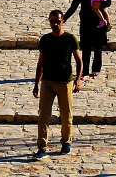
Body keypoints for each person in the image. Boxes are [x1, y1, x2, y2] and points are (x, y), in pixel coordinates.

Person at [33, 9, 82, 160]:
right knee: (43, 116)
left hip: (64, 82)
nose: (55, 24)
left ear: (63, 22)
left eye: (57, 21)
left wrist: (78, 80)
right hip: (47, 81)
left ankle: (66, 142)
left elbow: (79, 61)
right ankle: (42, 147)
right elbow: (40, 63)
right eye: (52, 21)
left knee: (66, 115)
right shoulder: (45, 40)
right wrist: (36, 84)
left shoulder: (70, 39)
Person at [63, 0, 108, 79]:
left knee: (98, 48)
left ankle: (96, 70)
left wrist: (100, 3)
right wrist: (64, 18)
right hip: (86, 24)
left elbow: (108, 0)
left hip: (98, 23)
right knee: (86, 48)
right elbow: (73, 7)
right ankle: (85, 72)